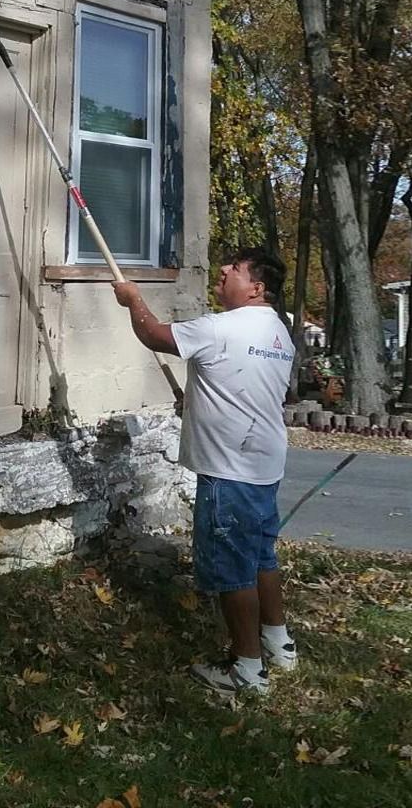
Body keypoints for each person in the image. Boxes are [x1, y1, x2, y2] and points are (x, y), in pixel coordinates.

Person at [113, 247, 296, 695]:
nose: (224, 271)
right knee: (261, 556)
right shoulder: (279, 334)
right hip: (264, 463)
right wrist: (196, 401)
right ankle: (279, 642)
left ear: (256, 287)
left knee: (233, 569)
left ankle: (247, 671)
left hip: (229, 469)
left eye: (235, 269)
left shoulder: (219, 328)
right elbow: (243, 385)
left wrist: (132, 299)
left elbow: (155, 335)